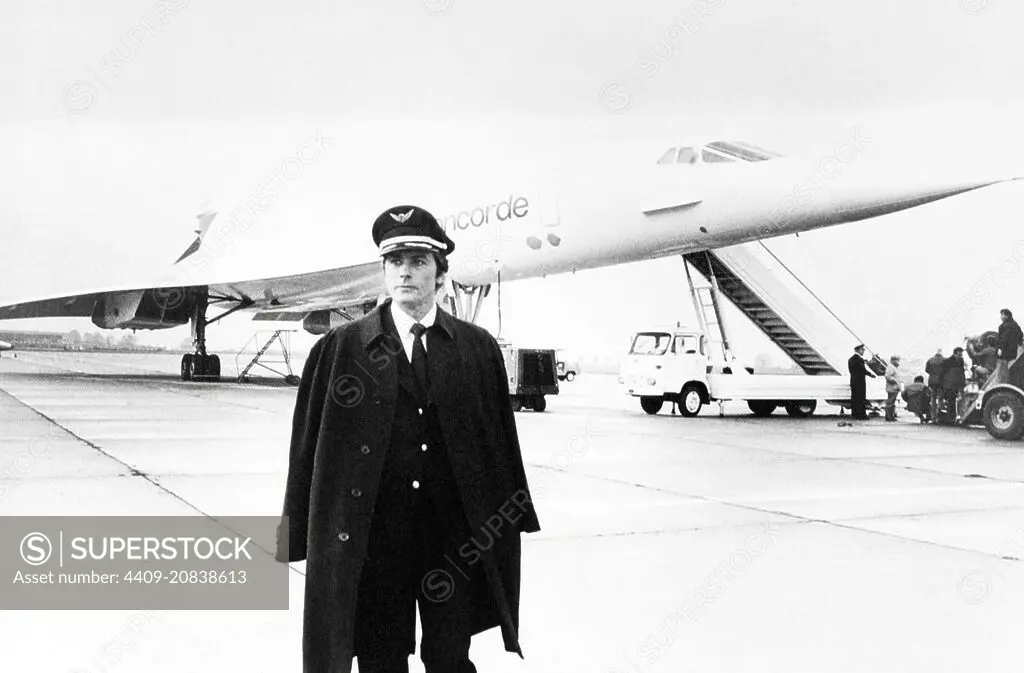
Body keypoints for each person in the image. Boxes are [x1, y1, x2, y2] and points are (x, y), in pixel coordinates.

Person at [276, 205, 541, 673]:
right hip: (375, 537)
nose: (405, 272)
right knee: (379, 657)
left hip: (452, 539)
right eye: (395, 262)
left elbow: (501, 442)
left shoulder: (476, 349)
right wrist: (297, 533)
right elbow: (307, 452)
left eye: (418, 261)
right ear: (383, 272)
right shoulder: (341, 351)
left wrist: (513, 515)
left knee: (450, 655)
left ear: (441, 273)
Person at [938, 347, 968, 424]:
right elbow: (943, 373)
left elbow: (962, 373)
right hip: (949, 384)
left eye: (961, 354)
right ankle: (950, 418)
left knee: (954, 400)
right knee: (950, 400)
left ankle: (952, 417)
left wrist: (962, 384)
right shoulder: (948, 361)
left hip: (956, 384)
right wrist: (941, 385)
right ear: (954, 353)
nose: (960, 355)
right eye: (959, 354)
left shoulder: (960, 361)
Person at [848, 344, 876, 420]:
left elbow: (851, 371)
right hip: (860, 382)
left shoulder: (850, 359)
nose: (863, 351)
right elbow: (863, 370)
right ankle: (861, 415)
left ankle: (854, 414)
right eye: (862, 350)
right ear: (858, 350)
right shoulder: (859, 359)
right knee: (861, 398)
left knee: (854, 398)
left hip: (853, 381)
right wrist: (871, 375)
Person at [995, 308, 1023, 384]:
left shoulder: (1004, 326)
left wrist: (1000, 349)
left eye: (1002, 315)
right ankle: (1004, 383)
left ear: (1006, 316)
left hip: (1004, 351)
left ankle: (1001, 384)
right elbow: (1020, 335)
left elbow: (1004, 339)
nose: (1001, 316)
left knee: (1001, 369)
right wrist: (1020, 343)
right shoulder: (1015, 324)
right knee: (1005, 369)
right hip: (1012, 351)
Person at [925, 348, 945, 421]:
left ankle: (933, 416)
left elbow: (926, 370)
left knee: (933, 398)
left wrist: (932, 374)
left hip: (932, 381)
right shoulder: (944, 360)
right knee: (940, 398)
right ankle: (939, 416)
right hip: (941, 381)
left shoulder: (930, 360)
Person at [884, 355, 902, 421]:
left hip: (894, 387)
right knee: (890, 403)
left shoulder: (893, 367)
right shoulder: (891, 367)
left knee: (891, 402)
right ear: (893, 360)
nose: (898, 362)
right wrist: (895, 381)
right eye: (897, 360)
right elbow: (887, 376)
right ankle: (889, 416)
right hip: (892, 387)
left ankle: (890, 416)